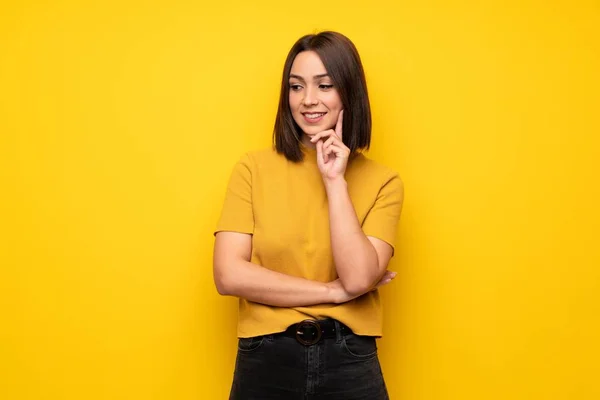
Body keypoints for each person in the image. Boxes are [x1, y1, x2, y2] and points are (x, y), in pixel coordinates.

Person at [213, 31, 404, 399]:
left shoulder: (384, 182)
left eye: (325, 85)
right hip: (265, 357)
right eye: (296, 86)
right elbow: (228, 274)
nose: (308, 100)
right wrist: (332, 292)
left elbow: (360, 275)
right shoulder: (252, 169)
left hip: (349, 359)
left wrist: (335, 181)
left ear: (349, 92)